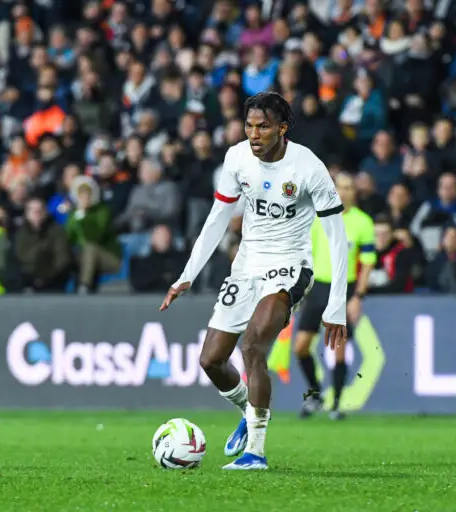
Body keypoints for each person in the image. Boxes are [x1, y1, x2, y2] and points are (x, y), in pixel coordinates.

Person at [159, 92, 349, 470]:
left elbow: (336, 237)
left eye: (263, 126)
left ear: (282, 128)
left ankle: (255, 453)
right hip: (246, 267)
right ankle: (251, 411)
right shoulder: (237, 158)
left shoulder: (308, 167)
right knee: (211, 360)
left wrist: (337, 304)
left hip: (290, 267)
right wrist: (187, 275)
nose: (254, 134)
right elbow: (217, 218)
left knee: (253, 346)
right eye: (249, 126)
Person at [294, 173, 376, 421]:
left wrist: (358, 296)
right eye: (340, 187)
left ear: (354, 192)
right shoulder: (317, 217)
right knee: (300, 347)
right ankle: (316, 395)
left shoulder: (363, 222)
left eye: (349, 187)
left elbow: (368, 262)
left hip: (344, 288)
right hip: (317, 287)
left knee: (339, 350)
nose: (344, 192)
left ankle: (337, 404)